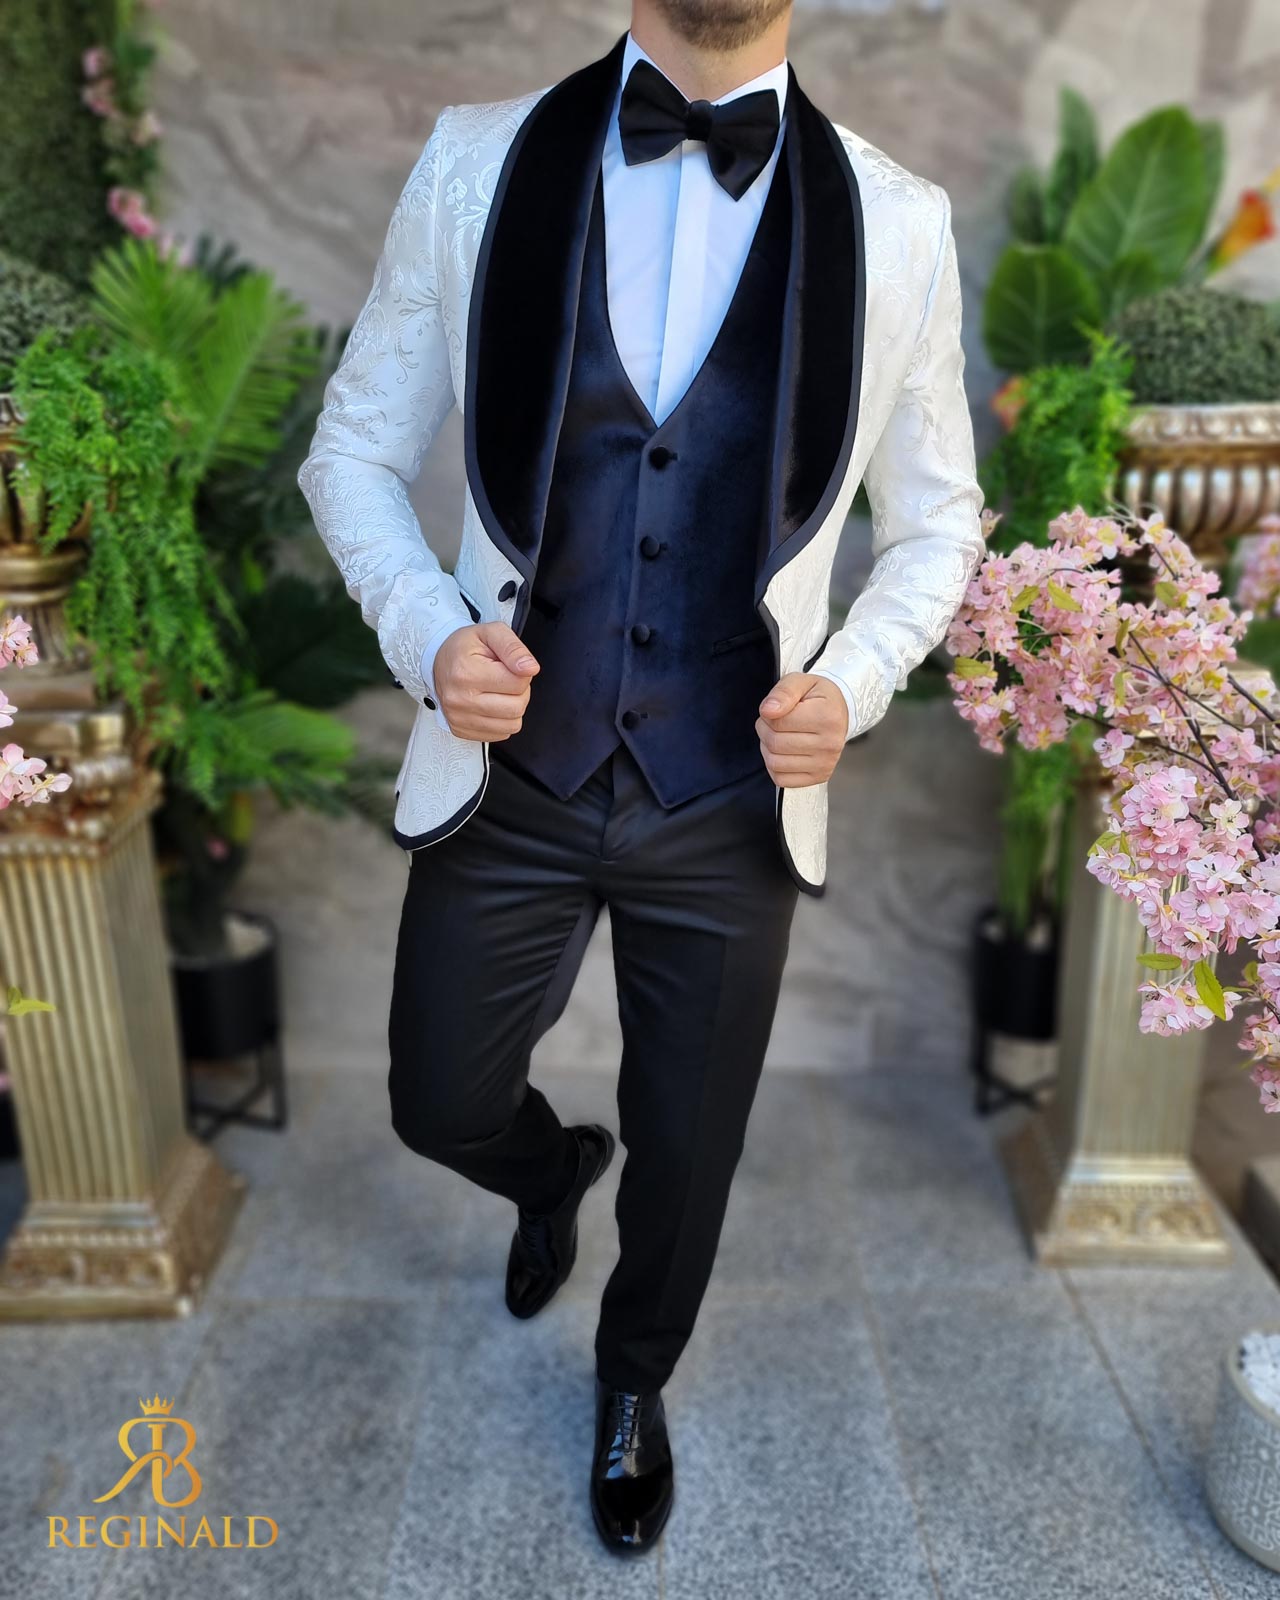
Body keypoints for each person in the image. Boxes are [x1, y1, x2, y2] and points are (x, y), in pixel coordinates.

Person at [299, 0, 983, 1556]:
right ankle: (550, 1174)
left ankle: (632, 1382)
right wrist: (429, 636)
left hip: (730, 792)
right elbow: (351, 451)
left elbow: (941, 518)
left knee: (692, 1151)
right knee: (436, 1098)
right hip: (512, 773)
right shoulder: (474, 164)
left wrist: (854, 684)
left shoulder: (900, 220)